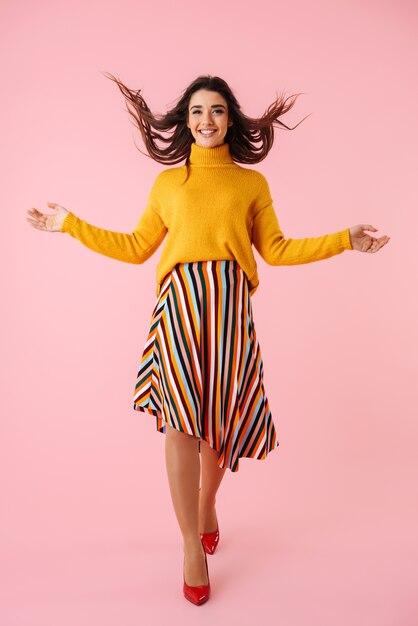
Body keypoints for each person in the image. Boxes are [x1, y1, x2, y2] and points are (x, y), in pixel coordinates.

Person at [26, 74, 390, 605]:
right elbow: (134, 247)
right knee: (179, 425)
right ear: (184, 119)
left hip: (230, 313)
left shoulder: (250, 185)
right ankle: (190, 546)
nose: (206, 120)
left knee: (220, 424)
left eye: (217, 110)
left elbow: (279, 250)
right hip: (178, 312)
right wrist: (70, 225)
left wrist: (345, 240)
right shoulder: (167, 185)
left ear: (231, 119)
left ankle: (205, 506)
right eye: (197, 111)